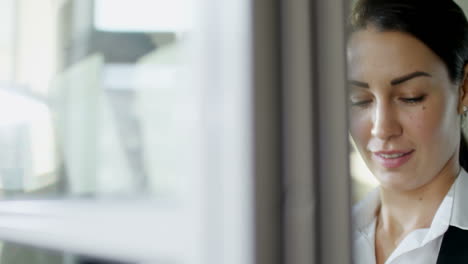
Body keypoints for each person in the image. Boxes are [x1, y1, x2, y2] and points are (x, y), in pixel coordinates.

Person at [348, 0, 468, 263]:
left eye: (410, 97)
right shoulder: (324, 238)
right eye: (359, 99)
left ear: (463, 89)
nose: (382, 129)